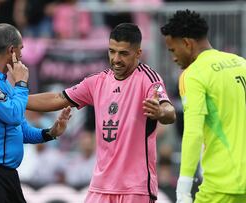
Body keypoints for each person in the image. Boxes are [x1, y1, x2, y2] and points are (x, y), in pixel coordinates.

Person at [27, 23, 176, 202]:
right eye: (112, 51)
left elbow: (169, 111)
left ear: (138, 53)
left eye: (123, 53)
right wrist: (16, 100)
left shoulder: (149, 79)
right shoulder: (97, 81)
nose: (116, 59)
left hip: (135, 188)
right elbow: (57, 98)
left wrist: (161, 111)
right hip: (100, 187)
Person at [160, 10, 246, 203]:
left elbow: (193, 132)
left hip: (224, 188)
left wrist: (183, 191)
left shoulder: (193, 74)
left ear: (187, 43)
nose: (173, 57)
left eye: (172, 50)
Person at [0, 23, 71, 203]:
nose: (22, 55)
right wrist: (21, 84)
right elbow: (14, 115)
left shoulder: (3, 85)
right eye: (21, 49)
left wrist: (50, 133)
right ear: (11, 50)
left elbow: (21, 129)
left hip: (5, 175)